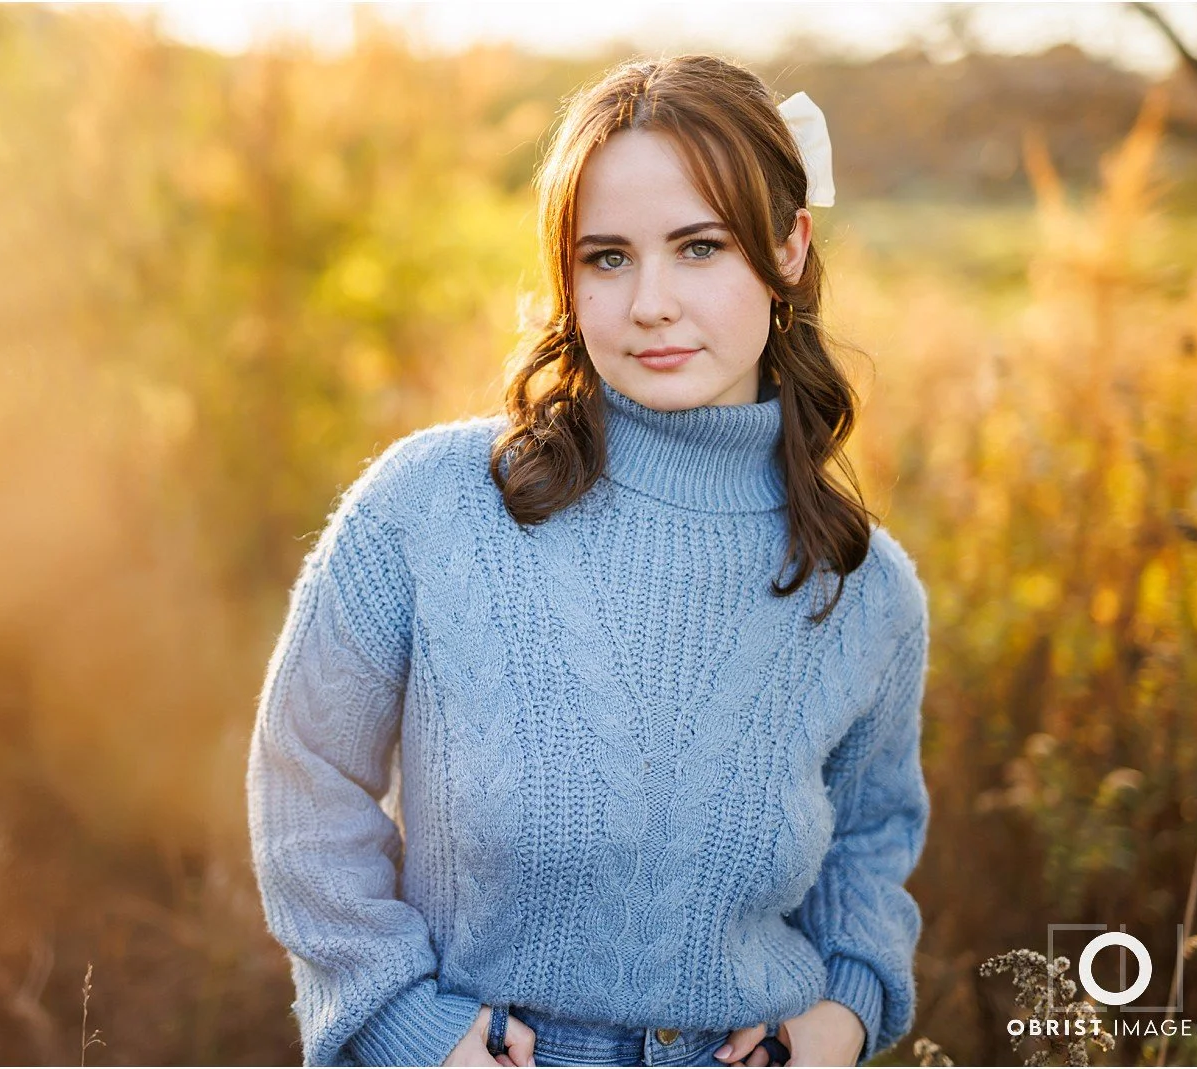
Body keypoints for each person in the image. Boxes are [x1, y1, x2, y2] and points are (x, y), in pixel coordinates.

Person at [246, 53, 930, 1069]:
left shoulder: (865, 589)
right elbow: (306, 775)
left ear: (788, 247)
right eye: (607, 257)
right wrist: (405, 1024)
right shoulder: (430, 508)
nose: (651, 301)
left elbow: (870, 846)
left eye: (700, 247)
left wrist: (846, 1010)